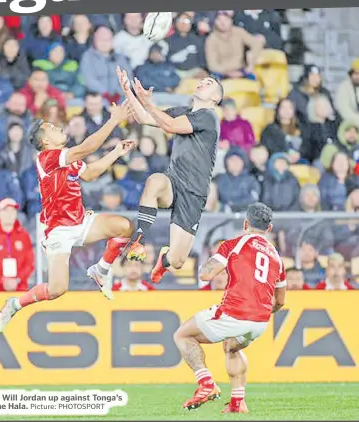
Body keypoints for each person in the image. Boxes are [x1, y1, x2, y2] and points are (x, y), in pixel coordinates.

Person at [0, 102, 136, 333]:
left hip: (80, 221)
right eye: (51, 127)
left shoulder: (68, 160)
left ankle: (100, 270)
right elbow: (87, 148)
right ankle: (14, 304)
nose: (58, 127)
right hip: (58, 230)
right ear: (45, 141)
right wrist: (113, 120)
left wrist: (116, 153)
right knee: (57, 289)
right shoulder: (47, 158)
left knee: (125, 226)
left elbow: (89, 173)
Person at [173, 203, 286, 413]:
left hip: (234, 312)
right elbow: (280, 301)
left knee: (182, 335)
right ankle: (238, 403)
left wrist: (193, 263)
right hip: (260, 321)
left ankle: (206, 383)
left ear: (245, 224)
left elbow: (206, 274)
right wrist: (259, 312)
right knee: (231, 347)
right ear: (269, 229)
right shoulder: (277, 258)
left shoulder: (233, 244)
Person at [116, 66, 222, 283]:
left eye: (209, 83)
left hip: (194, 192)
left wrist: (148, 102)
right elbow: (145, 118)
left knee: (177, 261)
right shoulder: (183, 110)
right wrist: (128, 91)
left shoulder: (209, 117)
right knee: (154, 181)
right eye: (202, 81)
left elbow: (169, 125)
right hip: (173, 180)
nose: (202, 83)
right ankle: (139, 240)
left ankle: (164, 259)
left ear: (216, 97)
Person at [0, 198, 34, 292]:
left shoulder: (24, 235)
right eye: (6, 211)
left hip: (20, 288)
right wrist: (1, 280)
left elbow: (29, 262)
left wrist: (17, 280)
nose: (10, 214)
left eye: (13, 211)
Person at [335, 58, 359, 134]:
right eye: (355, 73)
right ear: (350, 74)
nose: (358, 77)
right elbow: (345, 112)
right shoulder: (344, 88)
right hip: (352, 131)